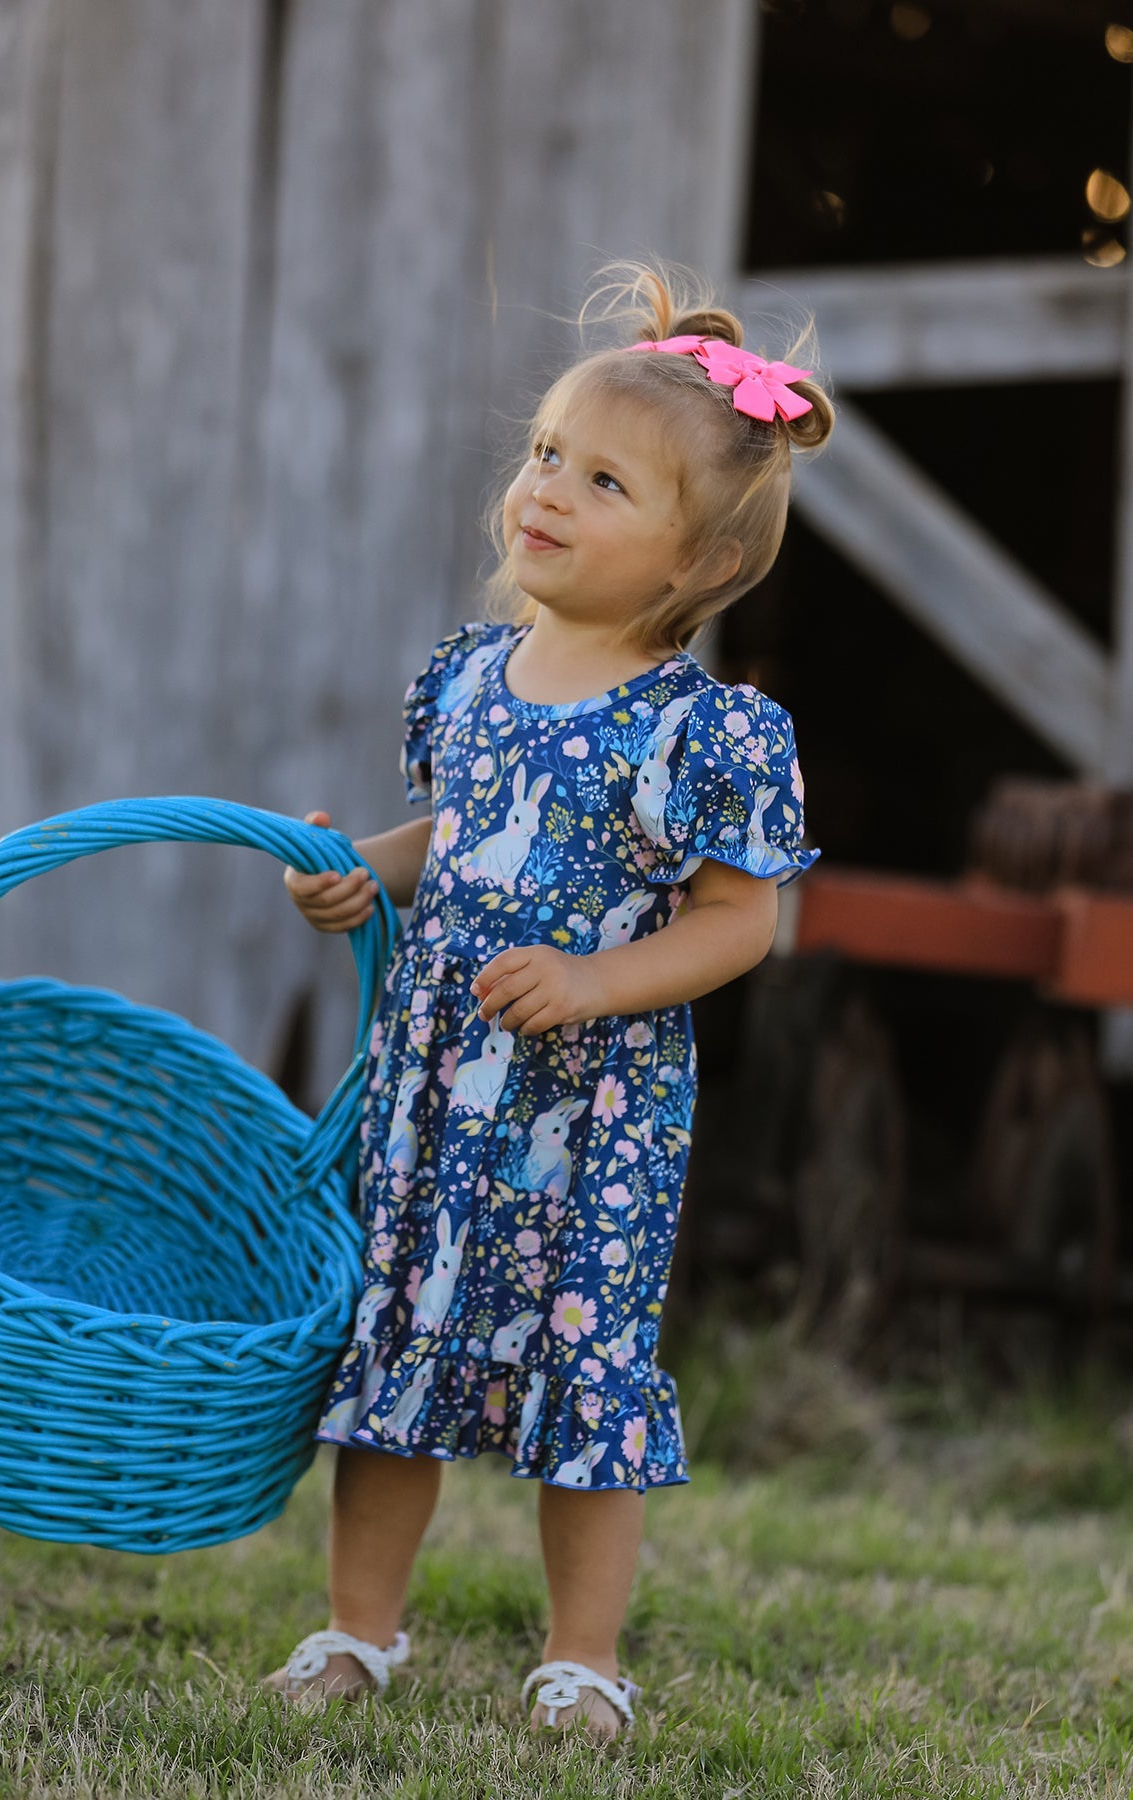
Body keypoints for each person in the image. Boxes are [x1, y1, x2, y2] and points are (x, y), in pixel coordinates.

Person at [268, 260, 833, 1741]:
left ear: (696, 565)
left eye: (601, 481)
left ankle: (580, 1659)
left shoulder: (700, 731)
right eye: (542, 457)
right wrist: (365, 875)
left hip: (593, 1114)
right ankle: (354, 1634)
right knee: (398, 1345)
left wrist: (594, 978)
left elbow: (738, 922)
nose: (548, 493)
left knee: (586, 1367)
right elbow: (450, 835)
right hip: (436, 1085)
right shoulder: (470, 681)